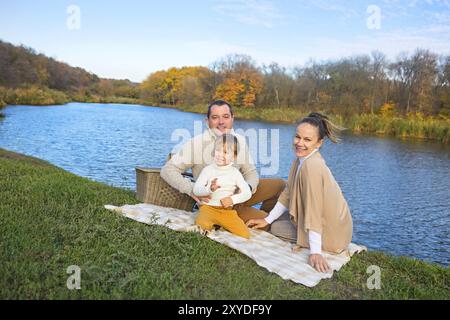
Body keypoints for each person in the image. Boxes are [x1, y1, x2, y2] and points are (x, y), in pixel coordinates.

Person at [246, 112, 353, 273]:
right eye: (297, 137)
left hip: (333, 233)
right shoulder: (301, 159)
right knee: (272, 219)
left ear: (319, 143)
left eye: (307, 139)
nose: (300, 143)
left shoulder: (312, 167)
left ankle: (319, 244)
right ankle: (271, 221)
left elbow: (314, 211)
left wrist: (316, 252)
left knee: (276, 228)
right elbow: (288, 193)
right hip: (334, 225)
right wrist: (267, 220)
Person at [160, 100, 285, 224]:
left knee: (280, 185)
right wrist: (191, 189)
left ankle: (261, 219)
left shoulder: (239, 140)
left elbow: (250, 172)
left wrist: (247, 188)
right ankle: (257, 221)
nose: (221, 122)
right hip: (219, 204)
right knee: (268, 220)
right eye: (215, 117)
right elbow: (168, 170)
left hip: (239, 194)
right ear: (207, 121)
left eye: (226, 117)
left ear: (232, 118)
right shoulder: (196, 144)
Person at [193, 134, 252, 238]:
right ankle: (213, 225)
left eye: (225, 152)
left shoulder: (235, 173)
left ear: (233, 157)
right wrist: (209, 189)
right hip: (208, 208)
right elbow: (196, 190)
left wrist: (232, 200)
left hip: (227, 211)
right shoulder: (208, 170)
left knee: (244, 234)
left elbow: (247, 193)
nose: (220, 155)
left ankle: (219, 225)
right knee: (201, 226)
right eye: (218, 150)